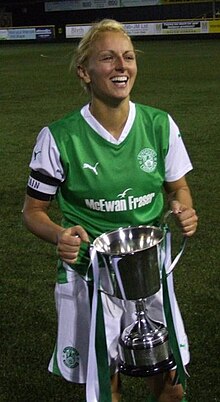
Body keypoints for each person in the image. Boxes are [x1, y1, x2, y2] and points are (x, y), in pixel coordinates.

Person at [23, 19, 198, 402]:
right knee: (107, 384)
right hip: (91, 274)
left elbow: (179, 188)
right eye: (108, 58)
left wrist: (183, 210)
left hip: (150, 274)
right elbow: (33, 210)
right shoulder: (58, 137)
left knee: (171, 384)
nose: (122, 66)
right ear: (84, 72)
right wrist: (59, 235)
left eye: (129, 57)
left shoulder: (159, 125)